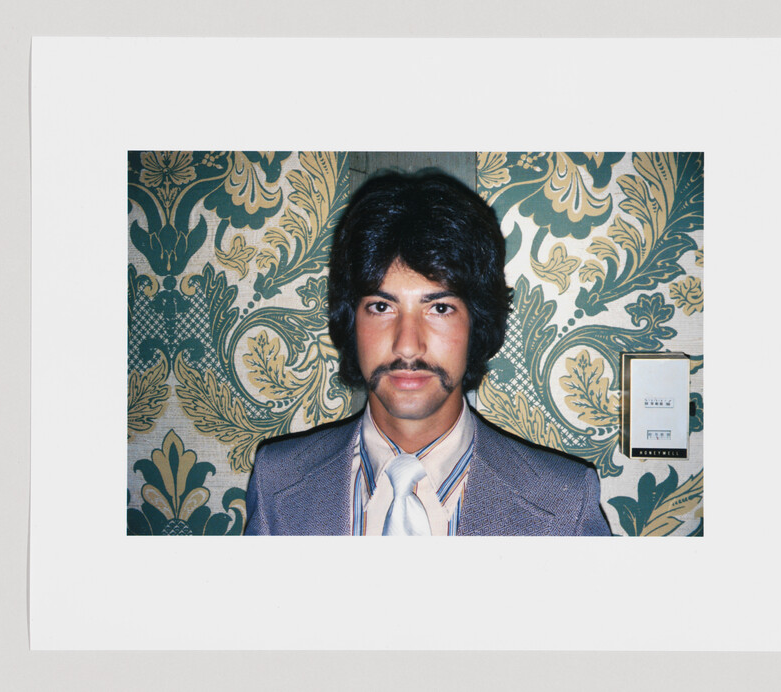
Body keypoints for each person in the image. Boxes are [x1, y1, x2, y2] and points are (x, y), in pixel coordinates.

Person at [244, 170, 611, 536]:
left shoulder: (564, 504)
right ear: (350, 320)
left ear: (477, 323)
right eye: (381, 307)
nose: (407, 345)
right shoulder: (277, 482)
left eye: (439, 309)